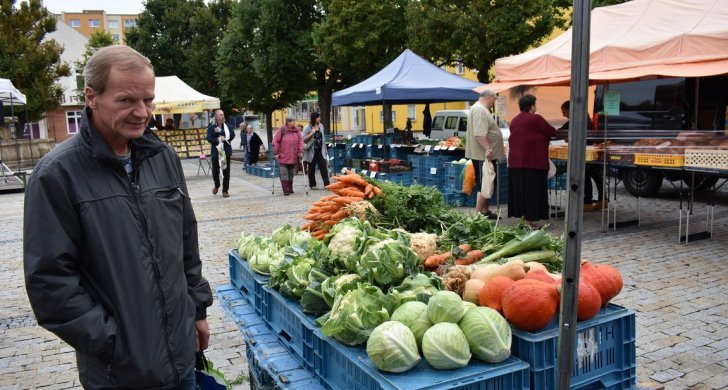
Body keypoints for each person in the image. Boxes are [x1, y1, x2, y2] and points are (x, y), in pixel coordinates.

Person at [22, 45, 213, 389]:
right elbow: (50, 282)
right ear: (92, 97)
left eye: (148, 100)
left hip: (182, 360)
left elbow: (185, 241)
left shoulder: (163, 157)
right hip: (119, 374)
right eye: (126, 101)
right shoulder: (56, 174)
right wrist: (114, 344)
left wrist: (196, 311)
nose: (142, 112)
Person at [508, 94, 557, 228]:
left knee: (521, 192)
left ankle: (524, 220)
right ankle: (529, 221)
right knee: (532, 192)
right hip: (532, 161)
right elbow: (551, 131)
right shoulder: (536, 118)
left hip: (516, 162)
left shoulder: (515, 120)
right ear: (532, 106)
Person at [557, 100, 605, 212]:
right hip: (591, 151)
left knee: (586, 176)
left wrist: (567, 136)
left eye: (564, 111)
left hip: (584, 152)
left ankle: (587, 202)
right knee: (597, 176)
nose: (563, 114)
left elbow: (559, 132)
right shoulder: (585, 118)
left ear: (570, 110)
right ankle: (603, 200)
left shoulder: (575, 120)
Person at [464, 89, 505, 220]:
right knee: (484, 183)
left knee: (487, 182)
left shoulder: (479, 109)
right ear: (490, 97)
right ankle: (477, 216)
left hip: (484, 154)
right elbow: (480, 134)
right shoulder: (480, 110)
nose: (495, 102)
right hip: (483, 155)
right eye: (495, 98)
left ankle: (485, 210)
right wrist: (488, 148)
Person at [207, 109, 235, 197]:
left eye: (223, 114)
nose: (222, 116)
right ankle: (217, 185)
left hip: (225, 152)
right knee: (215, 172)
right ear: (216, 117)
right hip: (216, 152)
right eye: (220, 115)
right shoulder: (211, 127)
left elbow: (232, 135)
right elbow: (209, 138)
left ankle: (225, 191)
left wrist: (222, 134)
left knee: (226, 172)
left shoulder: (228, 126)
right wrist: (217, 140)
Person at [273, 117, 303, 196]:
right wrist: (276, 152)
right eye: (293, 121)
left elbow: (300, 141)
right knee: (284, 174)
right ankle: (286, 190)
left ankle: (290, 188)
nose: (294, 123)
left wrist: (300, 150)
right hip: (283, 156)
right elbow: (275, 141)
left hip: (293, 156)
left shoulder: (296, 131)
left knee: (291, 174)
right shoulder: (282, 130)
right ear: (288, 122)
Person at [302, 112, 330, 190]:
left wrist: (325, 149)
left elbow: (323, 138)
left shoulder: (321, 126)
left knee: (323, 166)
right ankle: (312, 184)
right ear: (314, 118)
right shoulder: (307, 127)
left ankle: (327, 184)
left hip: (320, 150)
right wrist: (312, 133)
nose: (320, 118)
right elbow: (303, 139)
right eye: (318, 117)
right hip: (312, 150)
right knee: (311, 167)